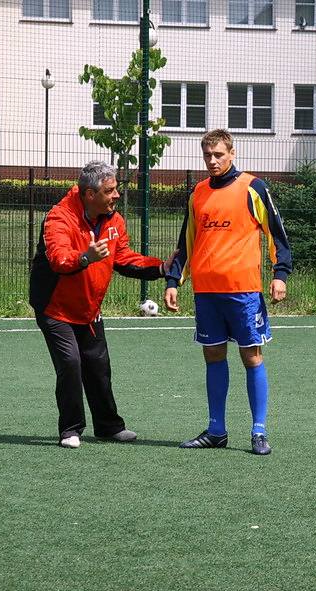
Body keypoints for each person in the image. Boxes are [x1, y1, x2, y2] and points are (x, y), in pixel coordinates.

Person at [164, 129, 291, 455]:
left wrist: (280, 274)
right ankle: (216, 430)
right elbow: (187, 241)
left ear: (232, 153)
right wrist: (173, 280)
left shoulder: (253, 188)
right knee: (213, 355)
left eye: (218, 155)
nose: (212, 161)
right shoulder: (199, 193)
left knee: (251, 356)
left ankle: (258, 431)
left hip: (243, 292)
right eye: (207, 155)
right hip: (206, 292)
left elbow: (276, 234)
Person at [30, 161, 173, 449]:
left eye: (116, 189)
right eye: (110, 190)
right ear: (89, 194)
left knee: (98, 366)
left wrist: (161, 268)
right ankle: (70, 429)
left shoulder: (113, 219)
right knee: (71, 364)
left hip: (89, 309)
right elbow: (59, 259)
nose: (117, 195)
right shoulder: (59, 218)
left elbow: (123, 258)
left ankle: (108, 427)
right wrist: (85, 257)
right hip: (54, 308)